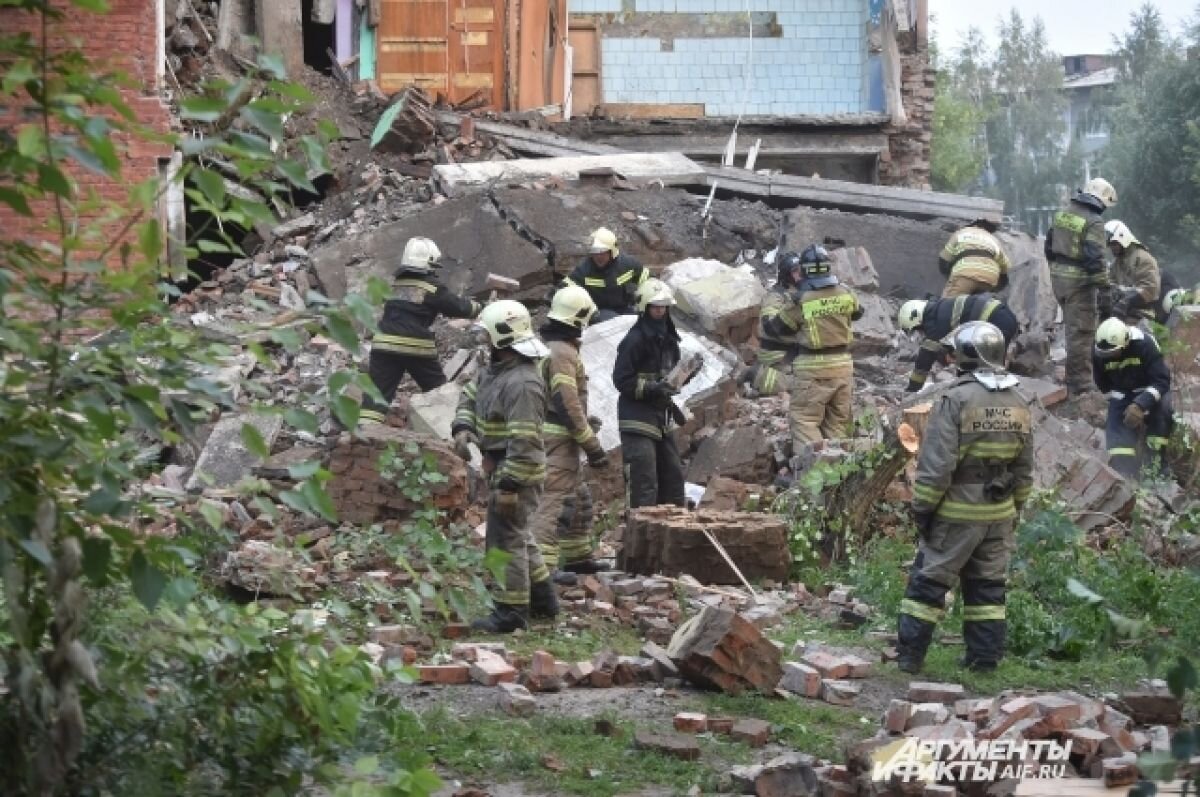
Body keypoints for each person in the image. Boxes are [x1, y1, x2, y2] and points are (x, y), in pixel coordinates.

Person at [897, 322, 1034, 674]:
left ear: (968, 356)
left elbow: (937, 465)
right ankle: (983, 659)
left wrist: (923, 508)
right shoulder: (1019, 401)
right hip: (999, 512)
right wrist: (1015, 508)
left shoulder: (955, 399)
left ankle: (910, 656)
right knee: (987, 587)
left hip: (957, 512)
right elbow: (1024, 469)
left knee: (929, 581)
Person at [451, 300, 555, 632]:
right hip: (502, 466)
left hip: (517, 472)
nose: (483, 342)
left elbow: (525, 441)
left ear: (502, 337)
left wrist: (509, 482)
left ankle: (511, 613)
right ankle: (543, 600)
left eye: (487, 336)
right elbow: (470, 394)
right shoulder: (495, 371)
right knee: (518, 534)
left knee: (505, 542)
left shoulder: (523, 384)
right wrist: (463, 426)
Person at [528, 285, 611, 575]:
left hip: (557, 436)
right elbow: (567, 402)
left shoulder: (554, 346)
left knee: (579, 499)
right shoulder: (561, 352)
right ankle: (542, 569)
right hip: (556, 440)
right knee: (553, 501)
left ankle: (577, 557)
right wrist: (592, 445)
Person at [360, 237, 481, 425]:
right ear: (429, 263)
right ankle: (448, 428)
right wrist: (479, 307)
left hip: (383, 344)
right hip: (415, 345)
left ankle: (364, 433)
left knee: (377, 393)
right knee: (436, 389)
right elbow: (458, 308)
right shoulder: (431, 286)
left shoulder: (396, 284)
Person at [764, 244, 863, 447]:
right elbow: (857, 313)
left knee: (804, 420)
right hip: (844, 368)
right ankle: (840, 465)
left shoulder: (801, 300)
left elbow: (777, 328)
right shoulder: (846, 293)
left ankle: (813, 465)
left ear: (804, 270)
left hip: (813, 370)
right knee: (838, 423)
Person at [612, 278, 685, 509]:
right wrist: (652, 388)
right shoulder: (634, 340)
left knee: (673, 478)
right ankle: (640, 527)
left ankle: (673, 526)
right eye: (655, 307)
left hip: (661, 417)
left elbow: (668, 375)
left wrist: (685, 374)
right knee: (643, 479)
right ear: (645, 308)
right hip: (637, 418)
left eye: (664, 307)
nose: (660, 311)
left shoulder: (669, 339)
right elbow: (621, 379)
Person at [1045, 177, 1118, 397]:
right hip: (1079, 284)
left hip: (1058, 280)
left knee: (1071, 330)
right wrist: (1105, 288)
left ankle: (1073, 377)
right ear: (1102, 201)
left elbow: (1048, 247)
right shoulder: (1094, 221)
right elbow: (1095, 258)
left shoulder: (1062, 214)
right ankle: (1081, 386)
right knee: (1081, 333)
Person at [1092, 317, 1173, 479]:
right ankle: (1124, 472)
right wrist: (1119, 402)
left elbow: (1162, 381)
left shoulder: (1145, 344)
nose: (1110, 357)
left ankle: (1155, 464)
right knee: (1115, 425)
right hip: (1121, 392)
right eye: (1106, 354)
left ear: (1126, 342)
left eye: (1113, 352)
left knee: (1162, 412)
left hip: (1149, 388)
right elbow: (1103, 383)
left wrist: (1141, 404)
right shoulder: (1099, 350)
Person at [897, 294, 1019, 393]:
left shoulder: (932, 323)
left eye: (918, 329)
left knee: (982, 368)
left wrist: (912, 389)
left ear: (917, 318)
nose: (921, 332)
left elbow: (925, 360)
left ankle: (993, 398)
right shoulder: (939, 309)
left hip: (996, 321)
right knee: (982, 365)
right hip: (1003, 317)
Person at [742, 251, 801, 396]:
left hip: (795, 351)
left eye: (802, 269)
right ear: (787, 274)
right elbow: (770, 326)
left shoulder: (802, 292)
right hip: (779, 354)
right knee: (806, 385)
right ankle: (758, 376)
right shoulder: (776, 296)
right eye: (796, 271)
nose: (801, 274)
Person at [565, 227, 648, 322]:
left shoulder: (628, 264)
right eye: (595, 252)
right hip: (598, 313)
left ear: (612, 251)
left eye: (602, 252)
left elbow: (648, 280)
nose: (598, 257)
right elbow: (566, 288)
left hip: (625, 309)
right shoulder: (584, 270)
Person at [1104, 220, 1161, 326]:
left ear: (1123, 239)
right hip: (1119, 313)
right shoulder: (1116, 263)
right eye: (1110, 244)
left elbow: (1150, 290)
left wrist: (1126, 301)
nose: (1112, 247)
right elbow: (1110, 284)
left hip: (1140, 315)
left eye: (1114, 244)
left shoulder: (1143, 258)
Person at [939, 218, 1012, 298]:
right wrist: (997, 288)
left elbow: (944, 259)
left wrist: (949, 277)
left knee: (948, 303)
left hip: (965, 273)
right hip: (990, 278)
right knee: (978, 304)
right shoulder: (993, 239)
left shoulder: (961, 233)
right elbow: (1006, 267)